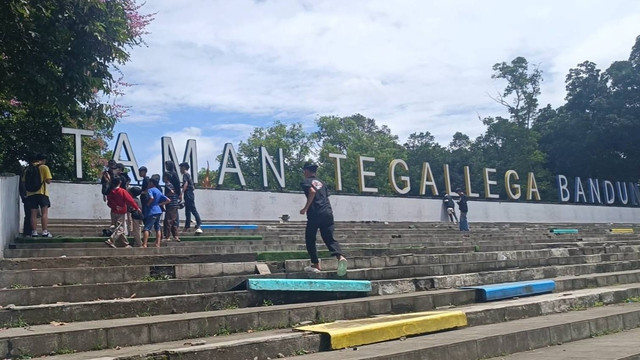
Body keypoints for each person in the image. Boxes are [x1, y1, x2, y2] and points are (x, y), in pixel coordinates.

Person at [299, 162, 348, 276]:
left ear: (306, 171)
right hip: (327, 212)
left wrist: (305, 208)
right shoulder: (322, 183)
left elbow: (312, 192)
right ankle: (340, 257)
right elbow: (325, 197)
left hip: (315, 213)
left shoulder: (306, 182)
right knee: (329, 238)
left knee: (310, 238)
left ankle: (315, 264)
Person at [23, 153, 53, 237]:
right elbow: (48, 181)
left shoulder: (28, 169)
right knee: (44, 213)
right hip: (42, 193)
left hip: (30, 194)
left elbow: (24, 181)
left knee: (33, 213)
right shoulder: (44, 167)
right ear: (43, 160)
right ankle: (44, 231)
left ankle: (34, 232)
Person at [105, 177, 140, 248]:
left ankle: (125, 244)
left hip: (113, 211)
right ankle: (111, 240)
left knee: (118, 228)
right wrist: (136, 207)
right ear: (120, 183)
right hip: (121, 212)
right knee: (120, 228)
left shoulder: (110, 192)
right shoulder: (122, 191)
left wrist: (115, 206)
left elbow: (109, 203)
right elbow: (130, 200)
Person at [143, 176, 170, 248]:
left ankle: (144, 244)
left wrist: (148, 204)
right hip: (158, 210)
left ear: (151, 183)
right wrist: (159, 204)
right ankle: (158, 244)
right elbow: (168, 200)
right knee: (157, 227)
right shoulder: (158, 191)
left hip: (152, 210)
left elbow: (151, 198)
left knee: (147, 228)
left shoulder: (150, 190)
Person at [179, 162, 202, 234]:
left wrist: (181, 193)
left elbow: (186, 184)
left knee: (192, 209)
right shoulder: (188, 175)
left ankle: (198, 223)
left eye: (181, 168)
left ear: (184, 168)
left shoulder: (186, 175)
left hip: (188, 194)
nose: (180, 169)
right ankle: (187, 226)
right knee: (187, 211)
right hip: (189, 193)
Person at [162, 172, 180, 242]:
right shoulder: (172, 185)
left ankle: (167, 236)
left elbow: (171, 192)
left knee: (168, 220)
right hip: (174, 204)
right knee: (174, 221)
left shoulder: (167, 185)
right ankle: (176, 236)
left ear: (166, 177)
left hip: (170, 205)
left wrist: (165, 196)